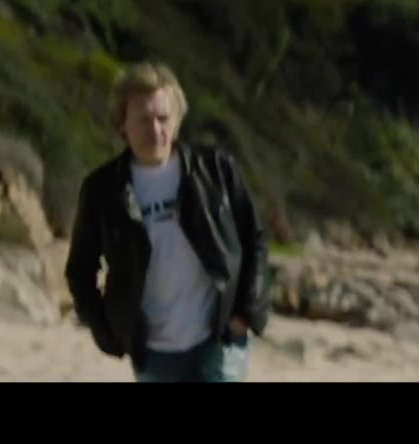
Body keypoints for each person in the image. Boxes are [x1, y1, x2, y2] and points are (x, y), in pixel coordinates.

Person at [64, 61, 272, 382]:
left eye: (163, 119)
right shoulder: (103, 190)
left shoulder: (215, 170)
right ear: (122, 124)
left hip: (220, 338)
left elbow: (254, 238)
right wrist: (106, 331)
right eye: (144, 120)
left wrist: (247, 312)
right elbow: (80, 269)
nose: (155, 130)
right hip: (154, 351)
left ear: (176, 122)